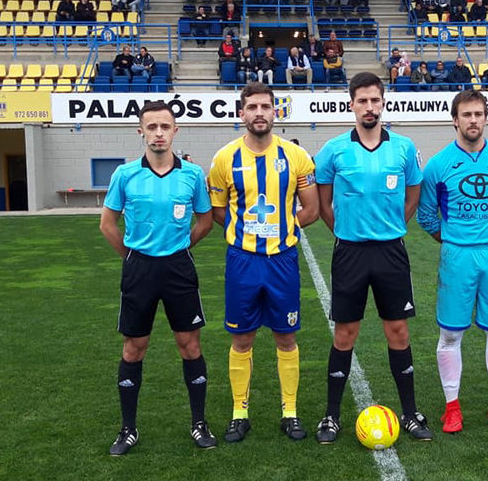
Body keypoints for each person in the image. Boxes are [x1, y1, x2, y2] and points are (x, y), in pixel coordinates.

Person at [313, 72, 433, 444]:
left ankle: (411, 413)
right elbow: (323, 204)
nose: (369, 107)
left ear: (384, 103)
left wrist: (393, 224)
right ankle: (331, 416)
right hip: (349, 252)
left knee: (397, 331)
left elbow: (414, 195)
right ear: (351, 104)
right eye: (362, 101)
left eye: (375, 100)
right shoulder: (333, 150)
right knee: (345, 333)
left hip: (391, 252)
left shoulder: (403, 147)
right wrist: (347, 232)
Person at [100, 100, 216, 456]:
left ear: (175, 130)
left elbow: (205, 221)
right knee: (134, 348)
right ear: (141, 132)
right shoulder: (125, 175)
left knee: (189, 345)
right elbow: (107, 224)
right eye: (152, 127)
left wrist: (180, 249)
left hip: (179, 268)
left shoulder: (192, 175)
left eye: (165, 126)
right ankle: (128, 429)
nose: (159, 133)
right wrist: (134, 257)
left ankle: (199, 423)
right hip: (140, 269)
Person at [207, 82, 319, 443]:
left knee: (286, 336)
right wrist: (248, 231)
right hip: (242, 260)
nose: (259, 113)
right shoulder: (225, 159)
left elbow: (312, 209)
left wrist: (280, 229)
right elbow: (219, 211)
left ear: (276, 112)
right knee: (242, 337)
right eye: (252, 106)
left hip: (282, 260)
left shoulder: (296, 157)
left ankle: (290, 412)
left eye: (266, 106)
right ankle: (240, 413)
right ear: (241, 113)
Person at [417, 89, 488, 434]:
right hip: (457, 256)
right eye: (466, 115)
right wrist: (452, 239)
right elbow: (426, 215)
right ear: (455, 120)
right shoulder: (438, 165)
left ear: (486, 118)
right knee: (450, 333)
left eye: (479, 114)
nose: (473, 120)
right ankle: (452, 408)